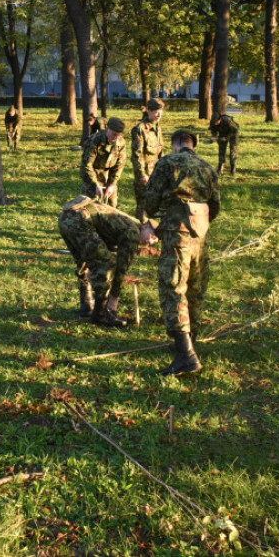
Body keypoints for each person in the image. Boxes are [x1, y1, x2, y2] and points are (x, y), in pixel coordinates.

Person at [142, 129, 221, 375]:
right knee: (196, 286)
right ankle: (191, 339)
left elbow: (150, 198)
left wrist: (152, 218)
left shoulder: (167, 162)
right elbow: (216, 204)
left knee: (173, 286)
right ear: (193, 145)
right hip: (201, 231)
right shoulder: (207, 167)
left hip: (178, 230)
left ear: (175, 144)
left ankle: (185, 354)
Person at [58, 196, 153, 327]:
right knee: (107, 264)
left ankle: (87, 306)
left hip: (65, 217)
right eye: (152, 235)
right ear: (146, 225)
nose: (151, 242)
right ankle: (101, 315)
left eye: (156, 241)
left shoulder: (129, 222)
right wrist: (114, 298)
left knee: (85, 260)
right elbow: (121, 268)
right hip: (80, 220)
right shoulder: (133, 233)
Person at [81, 117, 128, 207]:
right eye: (114, 134)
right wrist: (95, 184)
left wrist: (112, 184)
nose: (116, 137)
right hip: (92, 175)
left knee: (112, 206)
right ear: (107, 129)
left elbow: (119, 165)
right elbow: (87, 165)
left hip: (108, 175)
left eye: (119, 135)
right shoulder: (94, 141)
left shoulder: (121, 142)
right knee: (91, 207)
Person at [131, 98, 164, 223]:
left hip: (156, 174)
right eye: (155, 111)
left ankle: (152, 232)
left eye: (161, 111)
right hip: (145, 175)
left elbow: (160, 152)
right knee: (143, 206)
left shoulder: (158, 128)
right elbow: (137, 155)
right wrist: (142, 175)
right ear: (148, 111)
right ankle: (140, 235)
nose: (159, 114)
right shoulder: (140, 129)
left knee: (155, 204)